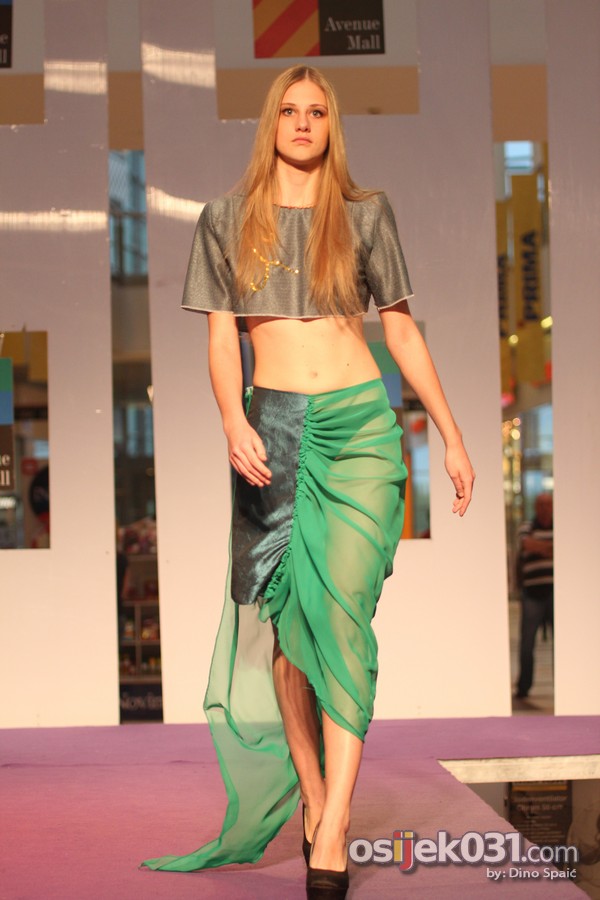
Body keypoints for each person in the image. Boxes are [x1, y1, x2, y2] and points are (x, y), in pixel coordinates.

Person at [142, 65, 475, 898]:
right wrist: (233, 419)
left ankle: (334, 825)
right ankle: (314, 790)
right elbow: (222, 340)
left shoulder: (366, 215)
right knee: (289, 629)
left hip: (360, 430)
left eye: (316, 111)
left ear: (331, 124)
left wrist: (452, 432)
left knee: (342, 616)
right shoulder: (226, 220)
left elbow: (401, 332)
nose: (301, 122)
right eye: (288, 110)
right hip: (276, 429)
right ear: (272, 123)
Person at [515, 492, 553, 700]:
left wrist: (540, 547)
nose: (545, 508)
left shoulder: (558, 526)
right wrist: (548, 548)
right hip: (532, 592)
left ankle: (564, 685)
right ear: (536, 507)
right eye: (541, 505)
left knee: (561, 642)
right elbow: (526, 544)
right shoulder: (527, 527)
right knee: (527, 642)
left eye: (548, 504)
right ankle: (524, 686)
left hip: (554, 593)